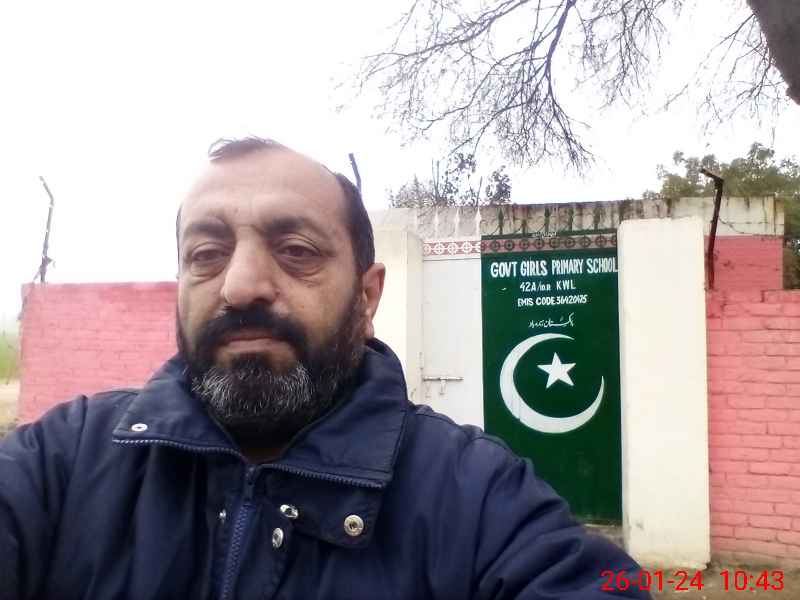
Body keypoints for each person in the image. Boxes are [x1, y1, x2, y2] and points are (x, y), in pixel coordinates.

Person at [0, 137, 650, 599]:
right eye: (206, 253)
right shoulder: (64, 462)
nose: (241, 286)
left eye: (295, 250)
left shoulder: (478, 499)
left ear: (366, 298)